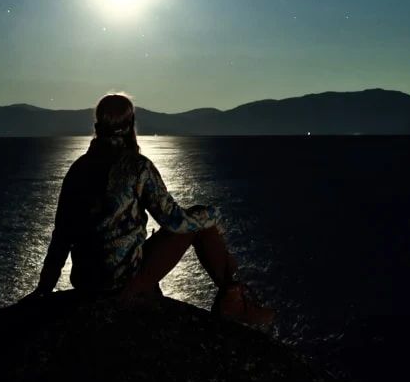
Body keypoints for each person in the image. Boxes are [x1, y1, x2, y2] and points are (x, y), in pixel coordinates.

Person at [25, 92, 274, 326]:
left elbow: (61, 236)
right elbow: (175, 221)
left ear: (96, 127)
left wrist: (44, 288)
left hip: (87, 284)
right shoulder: (137, 168)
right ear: (131, 125)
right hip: (123, 284)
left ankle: (229, 297)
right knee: (200, 222)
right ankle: (233, 298)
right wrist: (213, 216)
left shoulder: (77, 171)